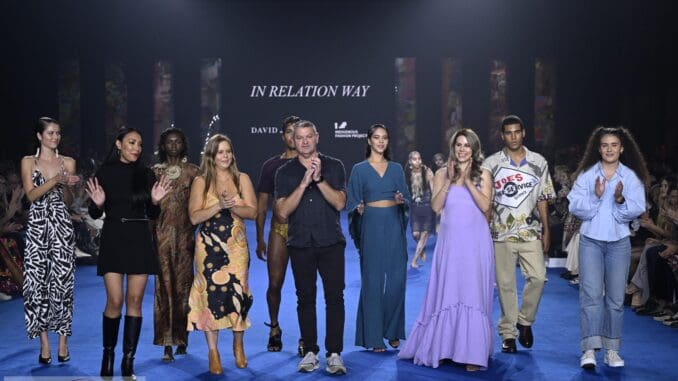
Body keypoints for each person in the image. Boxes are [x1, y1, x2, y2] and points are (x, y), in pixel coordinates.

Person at [399, 129, 494, 371]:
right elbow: (436, 206)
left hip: (476, 242)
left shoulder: (484, 173)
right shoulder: (442, 173)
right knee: (449, 291)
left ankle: (473, 353)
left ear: (474, 148)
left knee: (472, 292)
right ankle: (443, 347)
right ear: (453, 148)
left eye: (467, 145)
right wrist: (451, 180)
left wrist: (469, 182)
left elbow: (486, 208)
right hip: (451, 243)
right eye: (458, 144)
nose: (462, 149)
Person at [86, 127, 172, 378]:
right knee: (114, 301)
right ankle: (108, 356)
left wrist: (155, 202)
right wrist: (98, 204)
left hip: (139, 239)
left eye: (140, 144)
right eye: (132, 142)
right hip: (113, 237)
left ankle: (128, 362)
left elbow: (153, 215)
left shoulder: (145, 174)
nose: (136, 148)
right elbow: (93, 213)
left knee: (134, 301)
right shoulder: (104, 173)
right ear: (119, 144)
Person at [568, 126, 648, 370]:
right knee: (590, 296)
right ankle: (589, 349)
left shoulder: (630, 178)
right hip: (591, 241)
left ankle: (612, 350)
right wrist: (595, 195)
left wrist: (621, 200)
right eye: (605, 145)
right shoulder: (587, 175)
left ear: (622, 149)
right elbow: (574, 206)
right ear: (598, 148)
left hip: (619, 244)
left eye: (614, 145)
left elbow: (636, 210)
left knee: (614, 299)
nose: (609, 149)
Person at [274, 120, 348, 375]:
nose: (304, 141)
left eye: (309, 137)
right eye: (299, 137)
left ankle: (334, 353)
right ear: (293, 141)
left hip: (331, 242)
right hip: (300, 243)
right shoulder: (284, 172)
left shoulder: (335, 166)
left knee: (334, 298)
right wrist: (304, 183)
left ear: (317, 137)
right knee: (305, 298)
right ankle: (310, 351)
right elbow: (282, 212)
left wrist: (319, 180)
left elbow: (340, 203)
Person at [482, 115, 555, 353]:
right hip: (500, 233)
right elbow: (487, 202)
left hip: (531, 230)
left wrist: (545, 230)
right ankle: (508, 333)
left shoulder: (539, 162)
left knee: (538, 277)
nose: (513, 136)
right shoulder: (491, 164)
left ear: (523, 133)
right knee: (505, 285)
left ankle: (524, 321)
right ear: (502, 136)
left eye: (517, 132)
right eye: (508, 133)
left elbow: (544, 197)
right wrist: (485, 230)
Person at [186, 134, 257, 374]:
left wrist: (233, 205)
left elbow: (253, 212)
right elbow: (194, 217)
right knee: (210, 297)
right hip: (208, 248)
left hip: (236, 248)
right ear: (212, 157)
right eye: (220, 152)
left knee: (238, 293)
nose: (225, 156)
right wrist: (218, 205)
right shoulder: (201, 181)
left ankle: (238, 344)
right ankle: (213, 352)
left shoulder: (242, 178)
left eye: (228, 151)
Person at [20, 117, 79, 364]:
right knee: (37, 285)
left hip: (61, 227)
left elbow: (67, 201)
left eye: (58, 133)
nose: (55, 137)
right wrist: (55, 180)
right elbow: (31, 195)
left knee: (63, 284)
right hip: (37, 227)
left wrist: (68, 184)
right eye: (50, 133)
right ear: (39, 136)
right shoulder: (28, 162)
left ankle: (63, 343)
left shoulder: (68, 162)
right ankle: (44, 344)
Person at [347, 124, 409, 352]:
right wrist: (358, 211)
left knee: (397, 281)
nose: (381, 141)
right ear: (369, 140)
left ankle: (392, 330)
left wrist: (403, 202)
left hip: (393, 224)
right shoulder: (359, 170)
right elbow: (352, 203)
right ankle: (373, 337)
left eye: (385, 138)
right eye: (376, 137)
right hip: (371, 224)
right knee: (372, 282)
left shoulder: (396, 169)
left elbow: (407, 200)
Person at [151, 128, 199, 362]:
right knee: (163, 288)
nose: (173, 145)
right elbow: (148, 209)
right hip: (160, 238)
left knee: (184, 288)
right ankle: (166, 342)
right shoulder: (154, 172)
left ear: (183, 145)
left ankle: (183, 338)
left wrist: (195, 234)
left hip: (186, 238)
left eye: (177, 141)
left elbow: (199, 206)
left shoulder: (193, 172)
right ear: (163, 145)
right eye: (169, 142)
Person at [255, 115, 298, 352]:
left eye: (297, 131)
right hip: (279, 231)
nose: (293, 136)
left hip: (305, 232)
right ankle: (274, 327)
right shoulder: (271, 165)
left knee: (305, 286)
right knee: (274, 283)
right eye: (289, 131)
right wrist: (260, 237)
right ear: (283, 135)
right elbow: (262, 205)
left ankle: (306, 336)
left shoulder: (312, 162)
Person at [405, 150, 435, 268]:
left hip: (427, 207)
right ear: (410, 161)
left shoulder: (427, 171)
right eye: (414, 159)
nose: (417, 161)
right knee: (415, 234)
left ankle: (414, 260)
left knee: (424, 234)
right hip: (415, 208)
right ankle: (421, 249)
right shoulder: (407, 173)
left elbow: (433, 189)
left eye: (419, 158)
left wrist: (436, 205)